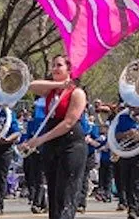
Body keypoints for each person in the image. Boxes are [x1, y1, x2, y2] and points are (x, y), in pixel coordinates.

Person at [20, 55, 88, 219]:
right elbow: (31, 85)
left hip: (71, 142)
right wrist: (58, 84)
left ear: (69, 69)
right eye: (53, 65)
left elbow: (68, 123)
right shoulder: (51, 90)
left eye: (59, 65)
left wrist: (40, 140)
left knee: (66, 191)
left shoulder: (77, 93)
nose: (55, 69)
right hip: (52, 142)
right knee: (53, 190)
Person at [23, 96, 47, 213]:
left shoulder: (44, 122)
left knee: (42, 179)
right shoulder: (31, 123)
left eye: (35, 108)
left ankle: (37, 203)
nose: (33, 111)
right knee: (35, 178)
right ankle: (43, 203)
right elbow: (28, 137)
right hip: (33, 152)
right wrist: (26, 145)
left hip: (43, 151)